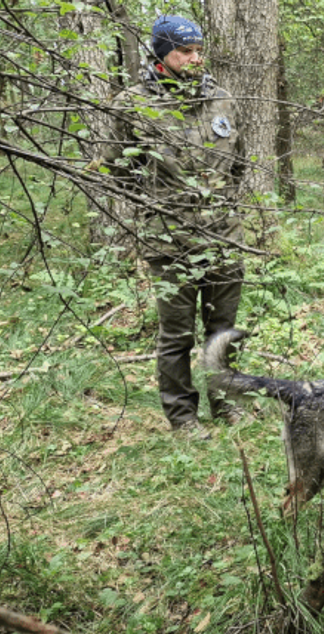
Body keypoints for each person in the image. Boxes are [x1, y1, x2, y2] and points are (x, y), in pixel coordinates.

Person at [95, 15, 248, 437]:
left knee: (224, 331)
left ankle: (227, 403)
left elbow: (239, 162)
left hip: (223, 236)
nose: (195, 59)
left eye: (199, 50)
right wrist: (155, 206)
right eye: (185, 51)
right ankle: (182, 417)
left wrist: (222, 205)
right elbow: (115, 166)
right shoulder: (133, 103)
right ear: (161, 56)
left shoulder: (221, 98)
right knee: (177, 336)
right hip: (170, 241)